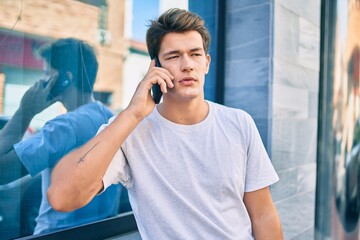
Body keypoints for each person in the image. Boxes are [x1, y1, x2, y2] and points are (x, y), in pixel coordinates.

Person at [48, 9, 283, 239]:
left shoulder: (239, 123)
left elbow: (263, 215)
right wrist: (132, 113)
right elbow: (61, 196)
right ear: (155, 66)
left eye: (195, 54)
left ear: (207, 63)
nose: (187, 65)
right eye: (173, 56)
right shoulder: (131, 130)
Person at [0, 38, 121, 235]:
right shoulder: (111, 119)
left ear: (65, 78)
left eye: (47, 74)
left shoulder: (64, 127)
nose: (42, 82)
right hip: (100, 232)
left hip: (56, 234)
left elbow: (2, 172)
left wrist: (25, 111)